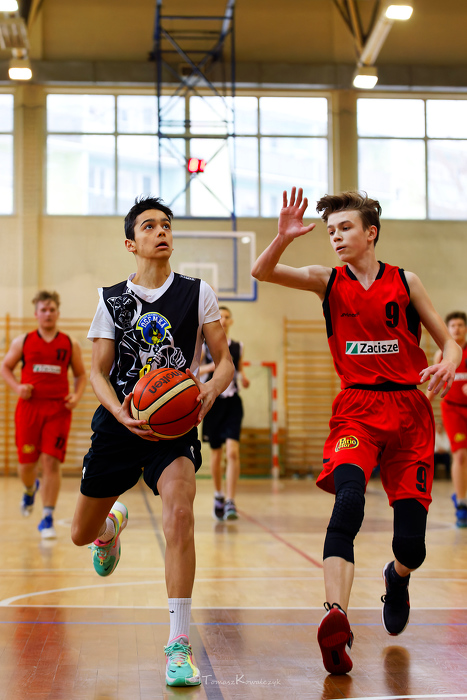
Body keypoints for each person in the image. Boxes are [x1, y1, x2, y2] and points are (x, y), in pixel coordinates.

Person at [251, 187, 461, 675]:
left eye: (345, 228)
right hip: (357, 411)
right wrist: (282, 238)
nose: (336, 237)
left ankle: (397, 576)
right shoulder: (327, 281)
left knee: (411, 548)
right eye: (330, 231)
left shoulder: (405, 281)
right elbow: (262, 272)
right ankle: (336, 617)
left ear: (371, 233)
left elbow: (448, 343)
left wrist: (449, 362)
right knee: (348, 501)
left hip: (409, 413)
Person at [70, 196, 233, 688]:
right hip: (120, 424)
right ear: (130, 243)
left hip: (175, 428)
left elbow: (224, 362)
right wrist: (120, 412)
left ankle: (178, 644)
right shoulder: (111, 299)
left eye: (165, 224)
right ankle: (108, 529)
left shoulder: (198, 293)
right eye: (148, 226)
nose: (160, 231)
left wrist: (210, 388)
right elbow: (97, 372)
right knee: (79, 533)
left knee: (180, 514)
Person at [0, 290, 86, 539]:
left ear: (58, 313)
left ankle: (47, 517)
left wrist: (77, 396)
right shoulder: (23, 341)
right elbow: (5, 367)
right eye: (43, 310)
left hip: (58, 410)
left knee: (51, 461)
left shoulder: (69, 344)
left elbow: (81, 375)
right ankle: (30, 490)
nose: (48, 314)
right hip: (29, 409)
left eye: (52, 310)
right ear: (36, 313)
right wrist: (17, 387)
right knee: (26, 465)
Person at [200, 305, 250, 521]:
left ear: (231, 321)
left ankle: (230, 500)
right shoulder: (204, 346)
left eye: (227, 317)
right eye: (220, 316)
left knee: (232, 453)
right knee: (217, 453)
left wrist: (244, 378)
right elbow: (195, 370)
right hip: (213, 403)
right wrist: (212, 368)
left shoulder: (238, 347)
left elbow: (239, 370)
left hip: (232, 403)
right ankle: (218, 495)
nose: (223, 320)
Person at [428, 312, 467, 526]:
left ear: (465, 328)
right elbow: (434, 385)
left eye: (460, 325)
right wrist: (423, 404)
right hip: (452, 410)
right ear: (448, 329)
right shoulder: (442, 355)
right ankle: (461, 504)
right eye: (453, 325)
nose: (457, 329)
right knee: (459, 456)